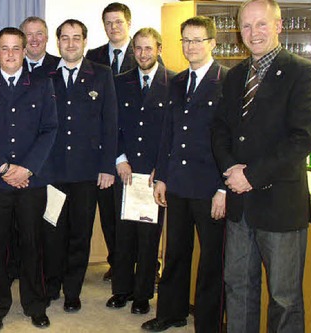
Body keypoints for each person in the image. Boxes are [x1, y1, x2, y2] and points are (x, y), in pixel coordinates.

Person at [212, 1, 311, 331]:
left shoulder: (304, 72)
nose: (253, 33)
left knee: (285, 299)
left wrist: (252, 176)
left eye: (261, 25)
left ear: (278, 26)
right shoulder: (234, 77)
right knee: (238, 289)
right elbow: (220, 129)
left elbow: (304, 138)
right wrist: (231, 170)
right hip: (240, 204)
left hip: (280, 206)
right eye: (246, 26)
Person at [0, 27, 57, 330]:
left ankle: (35, 305)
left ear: (23, 51)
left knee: (33, 244)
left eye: (16, 48)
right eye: (4, 48)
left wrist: (26, 168)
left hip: (32, 181)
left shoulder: (42, 85)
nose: (10, 54)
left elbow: (49, 129)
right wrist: (5, 169)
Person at [142, 16, 227, 333]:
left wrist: (224, 189)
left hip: (211, 187)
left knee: (211, 262)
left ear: (212, 44)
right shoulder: (176, 82)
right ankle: (170, 313)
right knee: (174, 253)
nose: (191, 46)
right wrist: (162, 176)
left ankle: (208, 324)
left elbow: (232, 139)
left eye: (197, 40)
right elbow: (168, 133)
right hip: (177, 182)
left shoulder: (226, 81)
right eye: (186, 40)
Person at [43, 19, 117, 313]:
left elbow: (110, 124)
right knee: (52, 232)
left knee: (80, 233)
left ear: (85, 41)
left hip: (87, 172)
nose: (70, 44)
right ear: (57, 42)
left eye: (76, 38)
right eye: (65, 38)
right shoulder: (45, 75)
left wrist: (107, 166)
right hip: (52, 172)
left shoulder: (101, 74)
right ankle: (51, 284)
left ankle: (72, 290)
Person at [106, 27, 174, 315]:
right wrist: (119, 158)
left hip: (154, 175)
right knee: (123, 234)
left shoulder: (174, 82)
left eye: (149, 48)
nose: (143, 54)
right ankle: (121, 289)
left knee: (148, 237)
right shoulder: (119, 82)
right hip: (126, 170)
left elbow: (173, 132)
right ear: (133, 51)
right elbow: (111, 124)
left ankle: (143, 294)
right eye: (138, 49)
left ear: (159, 48)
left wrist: (163, 167)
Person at [85, 2, 135, 281]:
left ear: (128, 23)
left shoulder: (144, 52)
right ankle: (117, 263)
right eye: (108, 22)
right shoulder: (93, 57)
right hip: (102, 148)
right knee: (108, 213)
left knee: (131, 214)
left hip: (132, 146)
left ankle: (140, 268)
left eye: (118, 22)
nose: (113, 27)